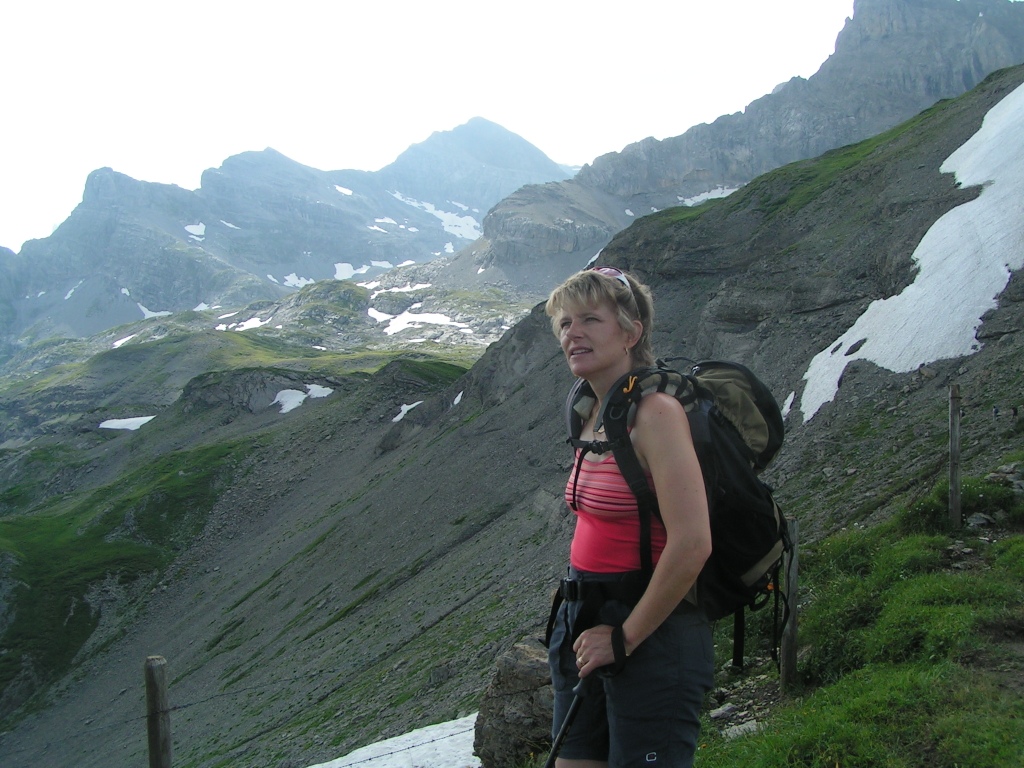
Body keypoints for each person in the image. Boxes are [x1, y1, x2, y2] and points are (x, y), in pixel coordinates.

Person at [544, 266, 714, 768]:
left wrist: (625, 637)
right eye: (565, 323)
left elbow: (693, 542)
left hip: (650, 631)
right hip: (583, 619)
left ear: (630, 333)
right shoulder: (589, 411)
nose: (572, 333)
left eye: (590, 320)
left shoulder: (656, 413)